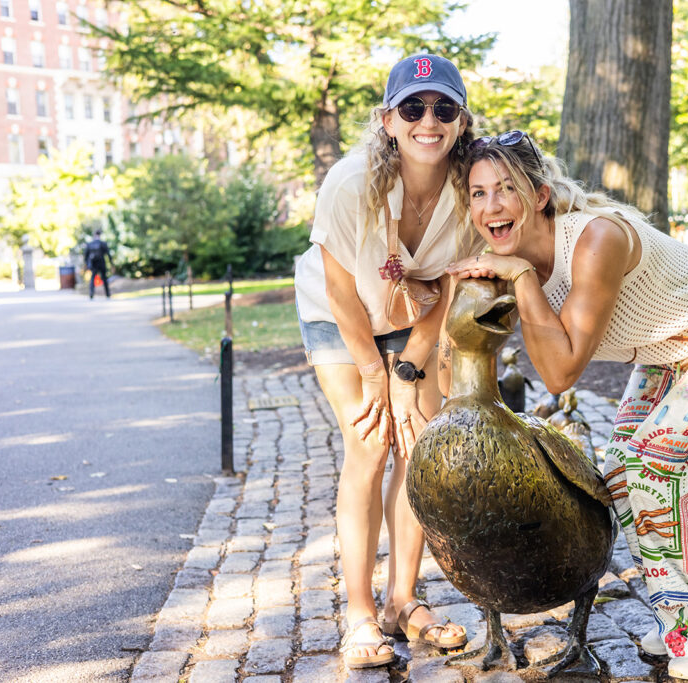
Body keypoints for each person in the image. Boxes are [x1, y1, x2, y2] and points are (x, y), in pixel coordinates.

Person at [445, 132, 688, 681]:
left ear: (538, 195)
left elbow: (561, 372)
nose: (491, 206)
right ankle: (686, 619)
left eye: (505, 189)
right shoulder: (518, 261)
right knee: (620, 472)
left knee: (656, 469)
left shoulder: (594, 240)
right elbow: (547, 358)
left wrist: (520, 280)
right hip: (675, 350)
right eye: (478, 193)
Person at [293, 53, 476, 669]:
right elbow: (341, 290)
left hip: (412, 317)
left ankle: (403, 601)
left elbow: (449, 286)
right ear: (388, 119)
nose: (429, 120)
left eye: (443, 107)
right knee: (369, 445)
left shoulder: (469, 184)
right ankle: (360, 615)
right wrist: (378, 375)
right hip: (338, 314)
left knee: (419, 444)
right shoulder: (349, 183)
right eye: (414, 107)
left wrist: (410, 367)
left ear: (460, 119)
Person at [83, 230, 111, 299]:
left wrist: (87, 264)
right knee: (104, 278)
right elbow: (108, 254)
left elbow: (86, 256)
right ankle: (107, 294)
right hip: (101, 263)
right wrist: (111, 263)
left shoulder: (90, 244)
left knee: (92, 279)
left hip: (93, 264)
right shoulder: (103, 243)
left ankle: (91, 294)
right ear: (100, 235)